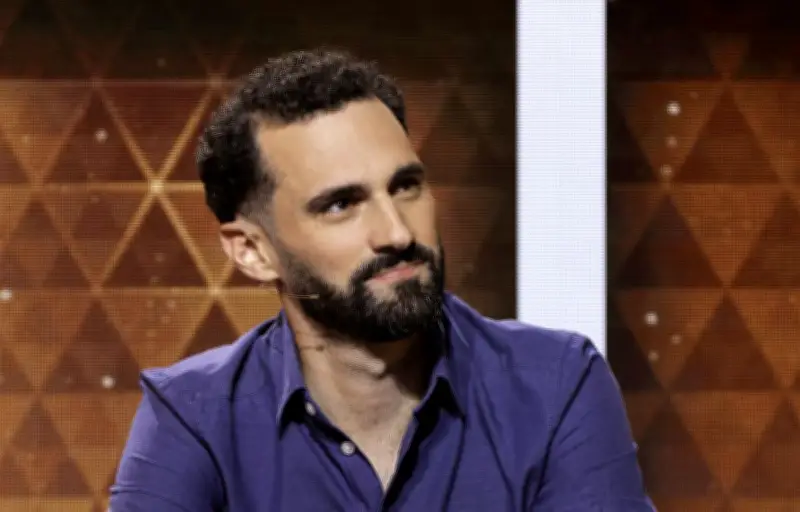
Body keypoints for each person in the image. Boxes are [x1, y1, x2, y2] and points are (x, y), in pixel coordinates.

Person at [110, 48, 653, 511]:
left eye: (405, 186)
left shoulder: (555, 384)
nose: (397, 232)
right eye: (341, 204)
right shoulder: (192, 418)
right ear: (253, 252)